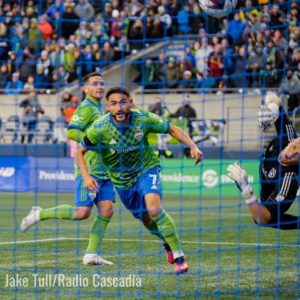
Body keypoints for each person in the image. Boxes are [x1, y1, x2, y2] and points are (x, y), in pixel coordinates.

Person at [76, 86, 203, 274]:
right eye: (113, 103)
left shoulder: (143, 119)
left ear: (130, 102)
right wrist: (86, 177)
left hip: (146, 168)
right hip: (122, 181)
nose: (119, 107)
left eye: (123, 102)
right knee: (147, 220)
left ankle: (179, 257)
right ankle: (166, 242)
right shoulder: (99, 128)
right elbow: (80, 151)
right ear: (107, 107)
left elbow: (173, 129)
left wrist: (193, 146)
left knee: (154, 208)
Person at [20, 72, 116, 265]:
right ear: (85, 88)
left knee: (107, 210)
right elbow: (72, 131)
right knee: (82, 213)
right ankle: (39, 214)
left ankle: (91, 254)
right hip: (88, 169)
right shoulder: (86, 107)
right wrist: (91, 141)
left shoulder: (100, 108)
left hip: (104, 169)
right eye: (95, 84)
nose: (100, 87)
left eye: (102, 83)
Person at [227, 91, 300, 230]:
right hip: (267, 173)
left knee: (264, 218)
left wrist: (246, 189)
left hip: (273, 187)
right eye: (294, 146)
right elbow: (274, 97)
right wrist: (271, 108)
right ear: (292, 141)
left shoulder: (289, 179)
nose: (291, 153)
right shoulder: (288, 136)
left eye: (297, 155)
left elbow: (262, 218)